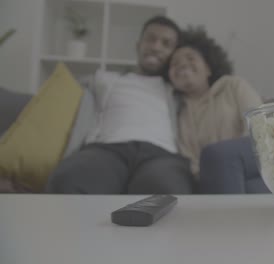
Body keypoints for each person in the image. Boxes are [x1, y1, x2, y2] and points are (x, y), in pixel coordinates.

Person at [47, 16, 193, 194]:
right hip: (107, 149)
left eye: (166, 44)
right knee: (68, 180)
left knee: (168, 193)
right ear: (138, 45)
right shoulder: (104, 79)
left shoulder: (175, 90)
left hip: (161, 156)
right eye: (151, 39)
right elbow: (59, 93)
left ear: (174, 54)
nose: (156, 47)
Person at [166, 27, 263, 179]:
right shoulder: (176, 111)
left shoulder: (233, 85)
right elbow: (188, 159)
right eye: (175, 63)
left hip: (254, 162)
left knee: (216, 157)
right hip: (209, 177)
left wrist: (227, 159)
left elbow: (258, 126)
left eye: (190, 58)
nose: (182, 64)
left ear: (208, 68)